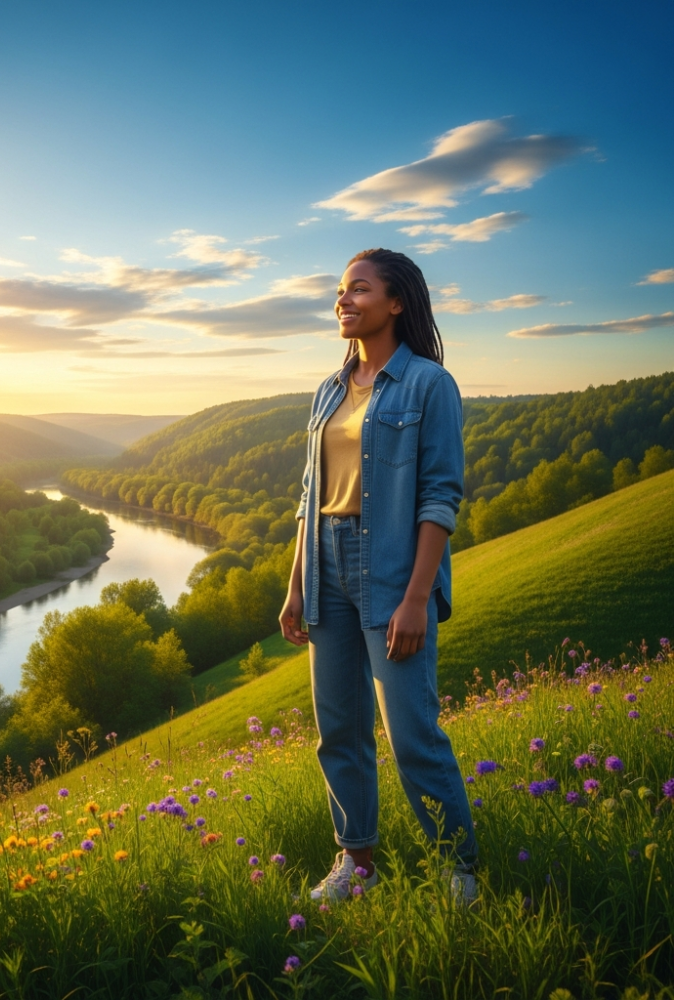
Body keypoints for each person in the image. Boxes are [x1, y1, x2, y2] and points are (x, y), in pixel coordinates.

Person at [278, 247, 478, 904]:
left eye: (358, 289)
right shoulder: (329, 390)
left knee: (413, 731)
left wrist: (418, 596)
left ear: (396, 302)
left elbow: (440, 497)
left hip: (391, 568)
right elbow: (311, 495)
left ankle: (459, 870)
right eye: (340, 290)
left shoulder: (428, 385)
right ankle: (355, 862)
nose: (343, 300)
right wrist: (295, 583)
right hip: (325, 567)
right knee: (339, 727)